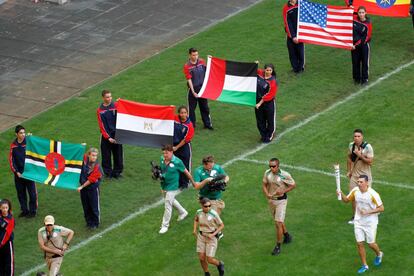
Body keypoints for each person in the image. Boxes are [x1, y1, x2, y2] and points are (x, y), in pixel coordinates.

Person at [337, 175, 384, 274]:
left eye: (361, 182)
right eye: (358, 181)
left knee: (371, 244)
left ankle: (379, 254)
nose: (359, 183)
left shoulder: (373, 194)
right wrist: (341, 194)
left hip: (370, 222)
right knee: (359, 243)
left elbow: (381, 208)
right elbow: (346, 200)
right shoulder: (355, 191)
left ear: (367, 183)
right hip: (358, 221)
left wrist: (368, 212)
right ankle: (365, 265)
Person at [262, 158, 296, 256]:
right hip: (271, 201)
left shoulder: (284, 175)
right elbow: (264, 184)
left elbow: (293, 185)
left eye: (273, 166)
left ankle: (278, 246)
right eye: (270, 166)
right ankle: (287, 235)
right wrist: (267, 194)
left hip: (281, 201)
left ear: (278, 166)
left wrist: (283, 191)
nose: (271, 168)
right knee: (279, 221)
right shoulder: (267, 173)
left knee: (278, 223)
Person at [159, 144, 195, 234]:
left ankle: (164, 225)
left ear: (171, 152)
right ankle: (183, 212)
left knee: (167, 204)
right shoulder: (162, 159)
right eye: (163, 153)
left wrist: (193, 182)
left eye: (166, 153)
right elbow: (163, 171)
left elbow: (186, 172)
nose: (165, 155)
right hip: (164, 184)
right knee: (170, 200)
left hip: (173, 185)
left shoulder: (178, 162)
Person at [9, 125, 37, 218]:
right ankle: (24, 210)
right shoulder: (13, 146)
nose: (23, 134)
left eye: (24, 132)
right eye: (21, 133)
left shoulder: (28, 142)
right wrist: (16, 172)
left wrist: (31, 138)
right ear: (16, 134)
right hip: (18, 175)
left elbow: (35, 151)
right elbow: (11, 160)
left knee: (32, 194)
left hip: (29, 174)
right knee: (21, 194)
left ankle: (32, 211)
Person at [347, 129, 374, 224]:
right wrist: (349, 171)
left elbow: (370, 161)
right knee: (353, 197)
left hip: (365, 177)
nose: (356, 138)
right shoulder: (351, 145)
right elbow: (349, 158)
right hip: (354, 176)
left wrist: (360, 155)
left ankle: (373, 211)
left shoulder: (367, 147)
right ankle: (355, 217)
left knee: (367, 198)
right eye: (355, 136)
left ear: (362, 137)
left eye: (358, 136)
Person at [193, 198, 225, 276]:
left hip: (211, 238)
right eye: (206, 206)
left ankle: (219, 264)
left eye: (209, 206)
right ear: (201, 206)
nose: (208, 208)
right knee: (201, 258)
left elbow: (222, 225)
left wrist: (213, 234)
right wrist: (194, 230)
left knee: (209, 259)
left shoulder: (214, 214)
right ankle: (207, 273)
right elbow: (196, 220)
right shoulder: (199, 212)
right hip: (201, 237)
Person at [183, 48, 213, 129]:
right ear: (190, 55)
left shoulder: (202, 62)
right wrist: (193, 91)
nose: (195, 56)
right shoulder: (187, 66)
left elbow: (209, 70)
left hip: (202, 89)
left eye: (196, 54)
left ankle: (208, 124)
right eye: (193, 55)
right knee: (191, 109)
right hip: (193, 89)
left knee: (205, 107)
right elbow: (189, 79)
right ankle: (192, 126)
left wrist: (210, 60)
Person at [97, 89, 123, 179]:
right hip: (106, 137)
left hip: (117, 134)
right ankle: (108, 174)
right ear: (103, 98)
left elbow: (124, 113)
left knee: (118, 154)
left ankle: (117, 173)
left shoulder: (116, 106)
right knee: (106, 156)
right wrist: (108, 138)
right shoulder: (100, 111)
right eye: (107, 97)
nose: (110, 98)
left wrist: (121, 103)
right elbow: (102, 126)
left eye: (110, 96)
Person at [77, 148, 103, 229]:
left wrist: (81, 186)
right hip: (84, 189)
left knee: (94, 207)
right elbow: (79, 153)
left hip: (92, 189)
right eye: (93, 155)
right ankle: (88, 222)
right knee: (86, 206)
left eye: (95, 156)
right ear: (88, 155)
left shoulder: (97, 167)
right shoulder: (84, 159)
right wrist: (80, 147)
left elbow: (90, 180)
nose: (94, 157)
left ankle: (95, 223)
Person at [255, 64, 279, 143]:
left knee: (270, 120)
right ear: (264, 70)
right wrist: (255, 64)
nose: (268, 72)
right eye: (267, 70)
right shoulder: (260, 73)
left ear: (272, 71)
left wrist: (259, 103)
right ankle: (263, 135)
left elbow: (269, 95)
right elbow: (253, 69)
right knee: (260, 120)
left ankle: (269, 135)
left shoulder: (273, 81)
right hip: (257, 101)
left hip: (268, 103)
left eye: (270, 70)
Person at [173, 105, 194, 189]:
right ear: (179, 113)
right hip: (174, 145)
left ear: (187, 113)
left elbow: (185, 140)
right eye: (181, 113)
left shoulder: (189, 125)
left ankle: (185, 183)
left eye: (185, 113)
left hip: (184, 147)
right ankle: (178, 183)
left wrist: (176, 147)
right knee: (175, 164)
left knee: (185, 165)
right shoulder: (174, 119)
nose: (183, 114)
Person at [283, 0, 305, 73]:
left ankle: (301, 68)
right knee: (292, 53)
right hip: (291, 35)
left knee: (300, 52)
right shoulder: (286, 8)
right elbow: (287, 23)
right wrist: (293, 36)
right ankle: (295, 69)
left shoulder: (302, 4)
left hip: (300, 33)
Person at [351, 6, 372, 85]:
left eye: (363, 12)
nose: (361, 14)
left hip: (364, 46)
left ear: (365, 13)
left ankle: (364, 79)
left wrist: (355, 45)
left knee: (364, 62)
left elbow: (366, 38)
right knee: (355, 62)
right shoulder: (354, 18)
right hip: (353, 46)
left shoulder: (368, 24)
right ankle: (356, 79)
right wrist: (350, 4)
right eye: (359, 12)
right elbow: (348, 11)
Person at [0, 199, 15, 276]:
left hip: (7, 244)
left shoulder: (11, 220)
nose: (5, 209)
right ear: (0, 208)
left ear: (8, 208)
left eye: (6, 207)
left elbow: (7, 235)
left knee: (9, 263)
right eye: (3, 208)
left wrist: (1, 244)